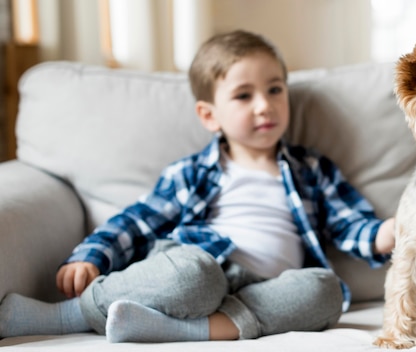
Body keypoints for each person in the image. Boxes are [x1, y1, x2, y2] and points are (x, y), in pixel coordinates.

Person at [0, 29, 395, 343]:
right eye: (244, 95)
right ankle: (66, 315)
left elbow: (349, 224)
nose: (265, 105)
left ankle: (179, 330)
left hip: (269, 290)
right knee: (194, 276)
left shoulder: (311, 168)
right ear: (209, 115)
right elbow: (137, 222)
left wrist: (384, 234)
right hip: (202, 266)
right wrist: (92, 255)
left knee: (325, 291)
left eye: (275, 89)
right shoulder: (191, 172)